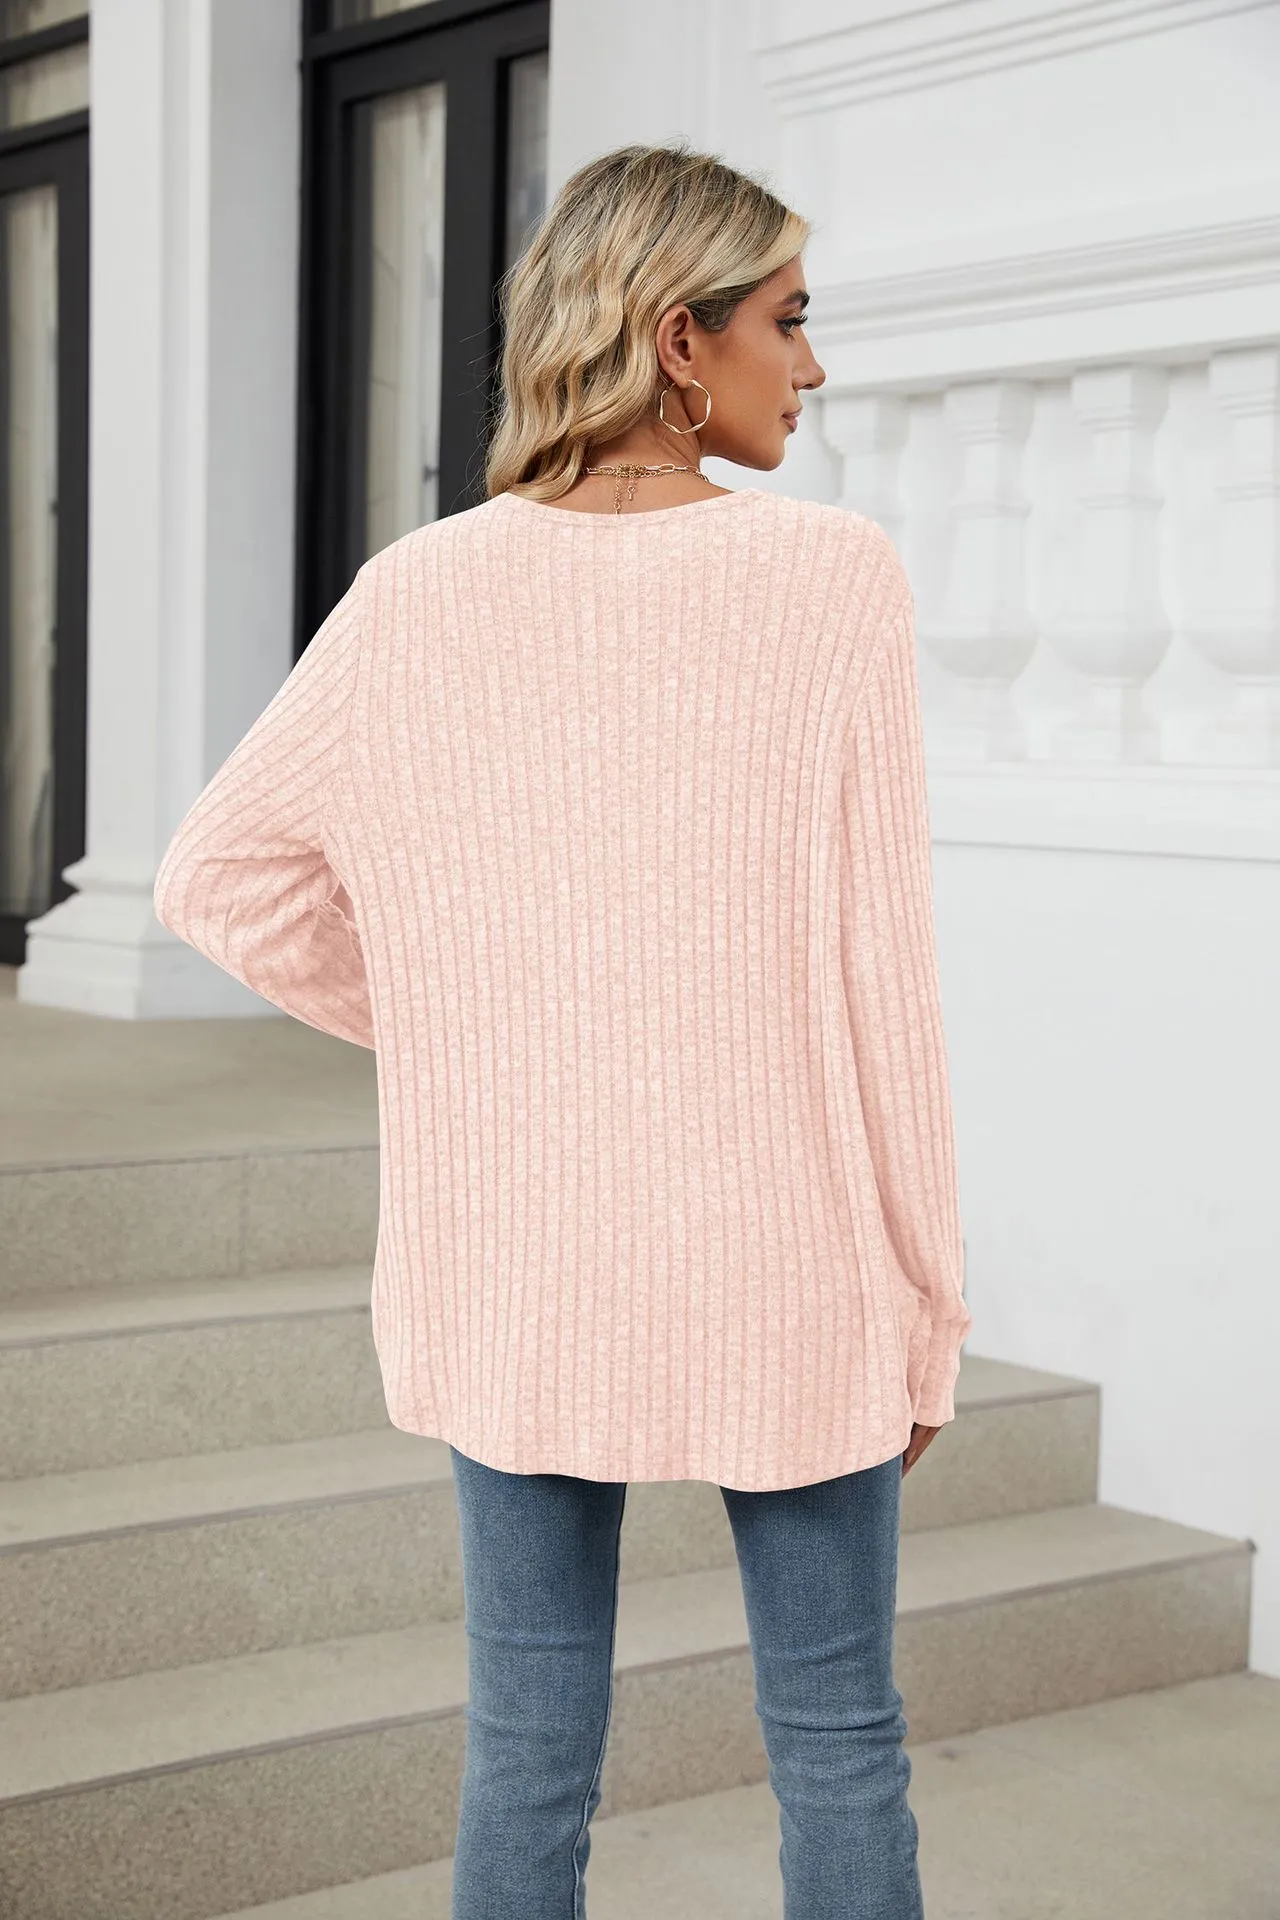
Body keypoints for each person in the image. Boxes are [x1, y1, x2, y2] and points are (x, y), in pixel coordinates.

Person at [154, 140, 973, 1920]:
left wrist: (479, 1023)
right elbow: (882, 982)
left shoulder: (416, 591)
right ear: (682, 340)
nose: (814, 366)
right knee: (839, 1736)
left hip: (517, 1258)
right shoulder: (834, 579)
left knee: (525, 1751)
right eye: (788, 322)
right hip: (786, 1257)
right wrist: (928, 1304)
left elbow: (218, 878)